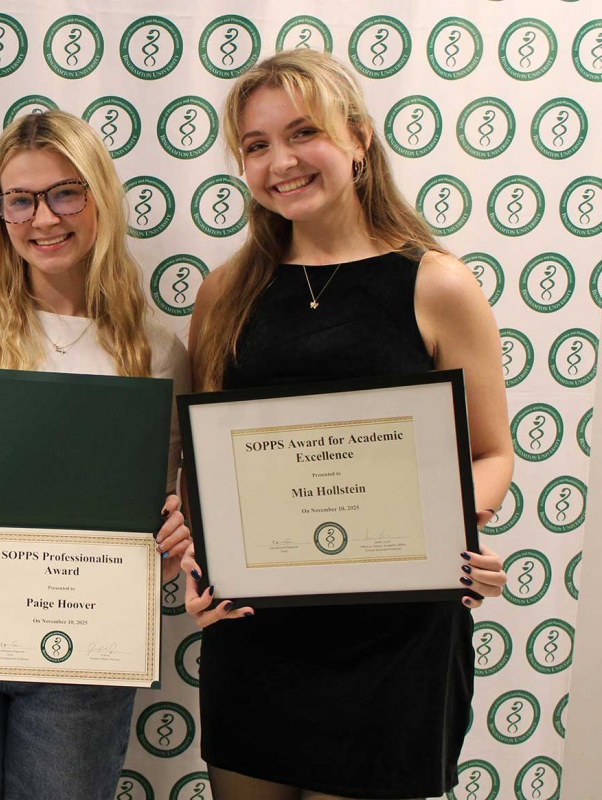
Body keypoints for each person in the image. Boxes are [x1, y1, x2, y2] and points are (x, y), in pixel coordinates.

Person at [184, 49, 512, 800]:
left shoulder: (437, 283)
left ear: (358, 138)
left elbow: (492, 451)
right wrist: (197, 560)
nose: (281, 161)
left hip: (395, 637)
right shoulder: (225, 292)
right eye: (256, 145)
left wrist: (456, 530)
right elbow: (201, 465)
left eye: (303, 133)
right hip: (256, 628)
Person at [0, 110, 193, 799]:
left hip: (90, 620)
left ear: (100, 198)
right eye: (17, 199)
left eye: (64, 192)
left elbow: (164, 496)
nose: (41, 218)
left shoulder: (156, 348)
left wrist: (177, 527)